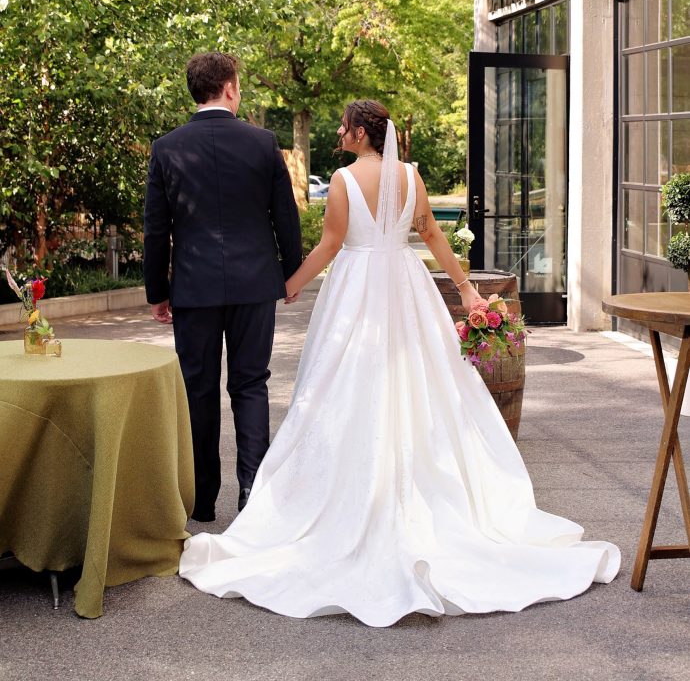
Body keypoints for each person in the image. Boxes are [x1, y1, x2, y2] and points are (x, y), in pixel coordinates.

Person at [179, 99, 620, 626]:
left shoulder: (343, 181)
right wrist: (466, 291)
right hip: (407, 285)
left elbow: (331, 245)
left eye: (344, 125)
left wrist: (287, 285)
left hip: (358, 288)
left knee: (344, 385)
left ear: (362, 132)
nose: (339, 131)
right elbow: (432, 236)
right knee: (422, 381)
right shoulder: (411, 176)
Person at [144, 52, 302, 522]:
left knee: (199, 389)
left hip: (193, 287)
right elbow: (285, 218)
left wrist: (158, 291)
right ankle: (252, 493)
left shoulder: (166, 148)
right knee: (251, 384)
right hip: (255, 283)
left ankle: (202, 499)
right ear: (230, 87)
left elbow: (157, 230)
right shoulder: (263, 142)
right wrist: (289, 275)